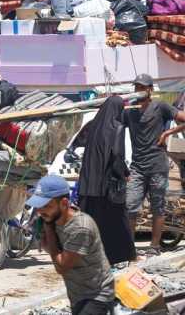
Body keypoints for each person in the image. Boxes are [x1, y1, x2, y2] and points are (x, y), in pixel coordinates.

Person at [26, 175, 115, 315]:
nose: (40, 211)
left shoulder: (80, 228)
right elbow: (49, 248)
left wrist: (48, 229)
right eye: (38, 207)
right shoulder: (52, 218)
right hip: (78, 294)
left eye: (46, 206)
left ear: (64, 203)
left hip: (96, 295)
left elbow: (61, 266)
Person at [68, 96, 136, 265]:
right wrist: (125, 174)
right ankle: (124, 256)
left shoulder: (94, 127)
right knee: (118, 222)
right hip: (106, 188)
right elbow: (117, 157)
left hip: (88, 185)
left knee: (89, 224)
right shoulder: (117, 128)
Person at [125, 74, 185, 256]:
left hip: (158, 165)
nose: (139, 90)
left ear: (150, 89)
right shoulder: (130, 111)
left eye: (142, 87)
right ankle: (128, 248)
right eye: (136, 87)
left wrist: (168, 133)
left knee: (157, 207)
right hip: (137, 167)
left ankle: (154, 246)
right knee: (131, 206)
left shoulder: (160, 106)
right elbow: (112, 124)